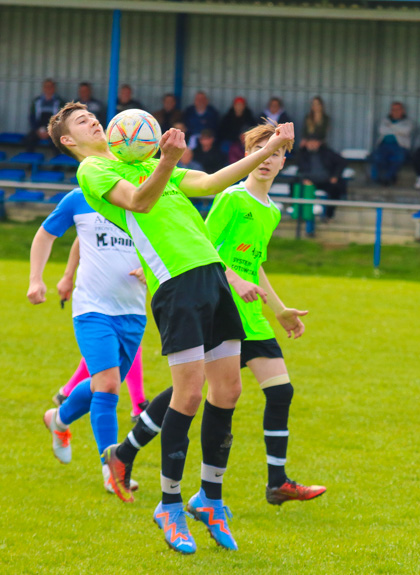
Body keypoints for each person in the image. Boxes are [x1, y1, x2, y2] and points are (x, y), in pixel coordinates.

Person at [47, 101, 295, 554]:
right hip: (176, 285)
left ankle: (210, 499)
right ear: (69, 141)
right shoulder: (95, 174)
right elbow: (139, 202)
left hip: (213, 275)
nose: (93, 122)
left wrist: (271, 147)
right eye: (82, 122)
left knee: (230, 391)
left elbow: (212, 182)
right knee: (188, 395)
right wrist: (166, 161)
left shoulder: (141, 162)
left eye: (93, 116)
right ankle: (169, 504)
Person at [107, 122, 326, 514]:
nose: (268, 158)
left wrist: (279, 310)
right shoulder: (231, 198)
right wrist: (234, 279)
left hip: (252, 316)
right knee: (188, 394)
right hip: (218, 302)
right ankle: (128, 454)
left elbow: (254, 263)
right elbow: (205, 248)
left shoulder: (271, 211)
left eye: (275, 151)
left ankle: (276, 482)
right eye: (261, 150)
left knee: (278, 392)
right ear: (249, 156)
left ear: (283, 160)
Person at [27, 188, 150, 492]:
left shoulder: (147, 194)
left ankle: (58, 418)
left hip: (134, 312)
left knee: (103, 384)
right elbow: (48, 235)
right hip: (92, 309)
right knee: (108, 385)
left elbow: (164, 246)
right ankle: (113, 471)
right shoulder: (82, 196)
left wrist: (150, 270)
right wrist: (39, 278)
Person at [296, 135, 348, 220]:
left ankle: (328, 215)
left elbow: (342, 162)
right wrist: (304, 179)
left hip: (326, 181)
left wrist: (335, 176)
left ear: (319, 143)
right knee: (296, 186)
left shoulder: (327, 153)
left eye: (314, 142)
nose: (312, 144)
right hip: (309, 181)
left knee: (335, 189)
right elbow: (300, 169)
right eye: (310, 142)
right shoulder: (302, 154)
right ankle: (299, 215)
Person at [370, 101, 415, 186]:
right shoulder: (385, 120)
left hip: (400, 146)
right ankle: (378, 179)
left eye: (398, 109)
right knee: (376, 157)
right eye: (393, 109)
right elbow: (381, 130)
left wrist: (390, 126)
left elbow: (406, 131)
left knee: (399, 158)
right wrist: (398, 129)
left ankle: (387, 178)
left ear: (403, 111)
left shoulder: (408, 121)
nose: (395, 111)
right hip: (383, 146)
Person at [24, 78, 62, 152]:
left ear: (54, 88)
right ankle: (32, 162)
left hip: (53, 131)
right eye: (46, 86)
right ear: (43, 88)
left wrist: (50, 131)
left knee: (58, 143)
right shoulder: (37, 101)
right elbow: (32, 117)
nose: (48, 89)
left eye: (50, 86)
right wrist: (37, 130)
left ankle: (57, 163)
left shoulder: (60, 102)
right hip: (38, 129)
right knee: (28, 140)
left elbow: (62, 120)